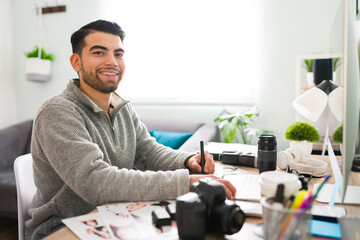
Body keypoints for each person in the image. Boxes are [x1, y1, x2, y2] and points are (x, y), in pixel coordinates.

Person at [25, 19, 236, 239]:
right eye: (99, 53)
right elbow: (95, 181)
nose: (112, 62)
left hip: (116, 214)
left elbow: (148, 152)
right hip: (63, 227)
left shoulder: (120, 107)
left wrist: (187, 161)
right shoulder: (57, 112)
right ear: (76, 62)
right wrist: (186, 181)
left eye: (118, 54)